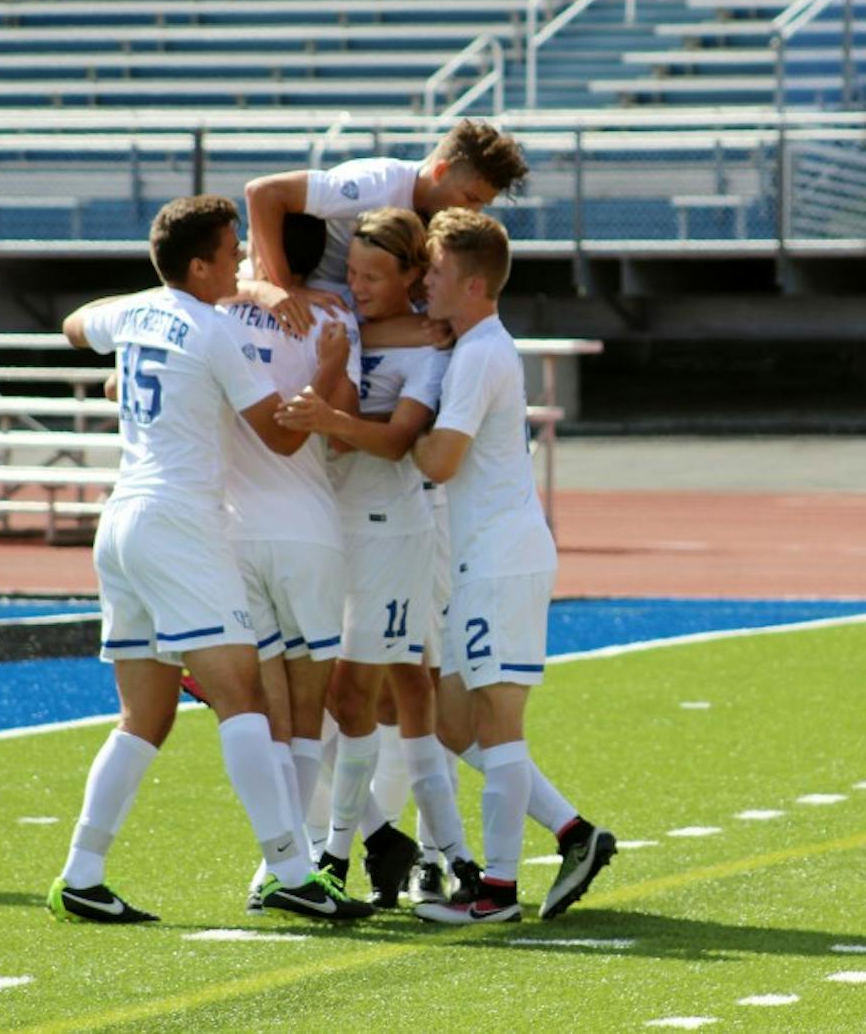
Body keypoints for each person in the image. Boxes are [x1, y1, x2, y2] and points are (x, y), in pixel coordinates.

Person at [47, 194, 372, 924]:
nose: (242, 263)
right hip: (180, 526)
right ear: (199, 266)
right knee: (244, 700)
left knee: (145, 716)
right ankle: (292, 868)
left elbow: (74, 326)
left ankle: (81, 872)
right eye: (230, 253)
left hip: (122, 522)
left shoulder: (138, 311)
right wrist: (324, 374)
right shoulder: (213, 329)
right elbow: (285, 440)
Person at [409, 209, 616, 924]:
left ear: (471, 283)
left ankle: (496, 891)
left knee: (497, 723)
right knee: (453, 721)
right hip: (483, 558)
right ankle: (574, 832)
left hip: (500, 558)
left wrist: (376, 426)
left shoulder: (480, 353)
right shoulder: (473, 346)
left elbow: (438, 458)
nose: (423, 282)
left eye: (434, 272)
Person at [276, 207, 481, 907]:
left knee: (379, 691)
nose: (357, 285)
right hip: (335, 526)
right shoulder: (346, 323)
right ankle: (426, 849)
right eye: (352, 272)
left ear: (412, 276)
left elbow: (394, 442)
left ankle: (357, 851)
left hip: (395, 528)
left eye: (373, 275)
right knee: (371, 689)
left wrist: (329, 410)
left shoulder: (435, 346)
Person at [243, 119, 530, 334]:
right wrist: (281, 290)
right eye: (470, 198)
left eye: (482, 204)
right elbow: (262, 192)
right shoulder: (373, 184)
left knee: (440, 334)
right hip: (313, 303)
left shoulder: (442, 222)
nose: (472, 211)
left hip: (359, 315)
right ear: (441, 172)